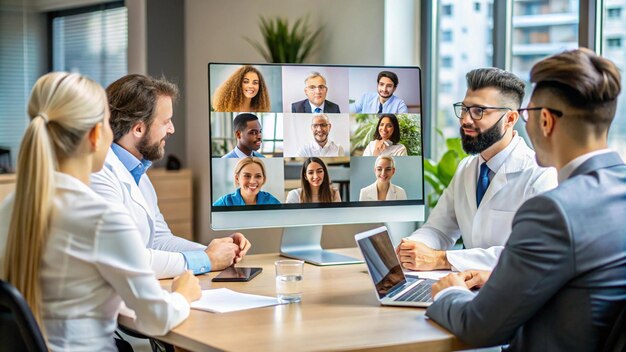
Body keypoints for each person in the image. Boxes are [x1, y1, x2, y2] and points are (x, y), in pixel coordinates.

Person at [426, 48, 626, 352]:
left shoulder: (554, 210)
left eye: (527, 114)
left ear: (545, 121)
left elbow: (478, 327)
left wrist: (448, 293)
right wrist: (500, 276)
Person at [0, 72, 201, 351]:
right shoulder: (101, 218)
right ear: (95, 135)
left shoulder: (11, 206)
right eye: (107, 122)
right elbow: (157, 319)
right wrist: (183, 295)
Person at [396, 68, 557, 272]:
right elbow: (439, 229)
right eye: (464, 109)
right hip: (467, 288)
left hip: (510, 294)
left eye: (479, 111)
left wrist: (442, 259)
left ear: (509, 119)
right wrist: (410, 247)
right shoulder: (467, 169)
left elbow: (529, 253)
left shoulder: (540, 175)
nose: (465, 120)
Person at [91, 74, 251, 279]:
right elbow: (124, 259)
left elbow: (159, 239)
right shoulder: (99, 174)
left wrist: (218, 250)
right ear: (139, 128)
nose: (172, 129)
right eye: (166, 121)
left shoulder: (138, 175)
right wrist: (207, 260)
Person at [213, 157, 281, 206]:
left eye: (258, 176)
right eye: (247, 176)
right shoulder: (225, 202)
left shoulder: (272, 202)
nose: (252, 181)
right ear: (237, 178)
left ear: (263, 179)